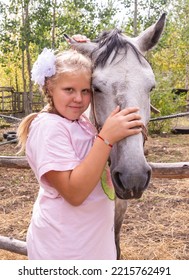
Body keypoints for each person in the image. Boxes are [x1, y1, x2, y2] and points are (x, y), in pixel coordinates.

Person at [17, 37, 143, 260]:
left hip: (91, 245)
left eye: (86, 91)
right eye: (69, 90)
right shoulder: (48, 128)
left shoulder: (80, 123)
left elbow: (105, 77)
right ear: (49, 88)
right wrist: (106, 138)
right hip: (64, 251)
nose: (78, 98)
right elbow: (74, 193)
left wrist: (87, 51)